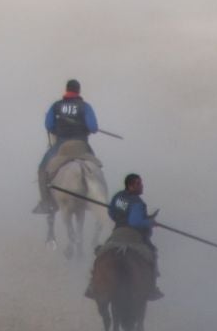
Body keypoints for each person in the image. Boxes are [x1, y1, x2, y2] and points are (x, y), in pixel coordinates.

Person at [33, 79, 103, 214]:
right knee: (96, 168)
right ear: (79, 91)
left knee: (42, 169)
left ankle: (47, 203)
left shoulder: (56, 106)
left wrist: (58, 130)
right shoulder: (85, 106)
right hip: (82, 145)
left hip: (61, 145)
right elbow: (93, 127)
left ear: (66, 90)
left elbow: (48, 126)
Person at [106, 174, 162, 299]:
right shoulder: (137, 203)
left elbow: (110, 211)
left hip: (117, 232)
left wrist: (119, 220)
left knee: (102, 251)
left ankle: (92, 286)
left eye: (141, 183)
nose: (141, 186)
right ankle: (152, 288)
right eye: (138, 184)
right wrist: (150, 223)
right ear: (130, 186)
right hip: (133, 235)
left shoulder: (118, 196)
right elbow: (135, 222)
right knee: (152, 254)